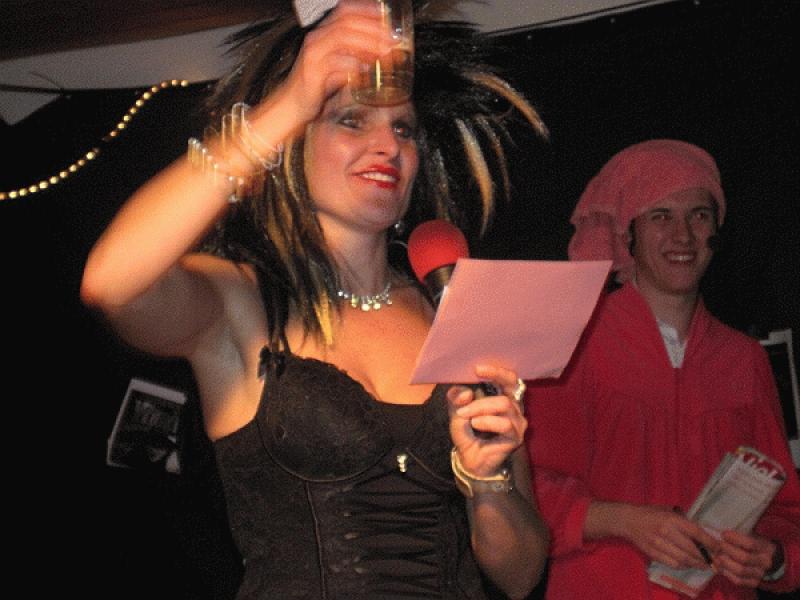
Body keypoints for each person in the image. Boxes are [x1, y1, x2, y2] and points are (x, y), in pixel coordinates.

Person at [81, 1, 550, 598]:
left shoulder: (458, 312)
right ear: (293, 145)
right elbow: (111, 283)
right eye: (351, 120)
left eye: (404, 129)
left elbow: (520, 574)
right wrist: (289, 103)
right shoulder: (240, 303)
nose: (387, 145)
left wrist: (487, 484)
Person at [525, 139, 800, 599]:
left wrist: (774, 558)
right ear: (627, 234)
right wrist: (624, 520)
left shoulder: (744, 359)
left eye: (699, 215)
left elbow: (786, 510)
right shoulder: (573, 345)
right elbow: (524, 495)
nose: (683, 236)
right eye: (660, 216)